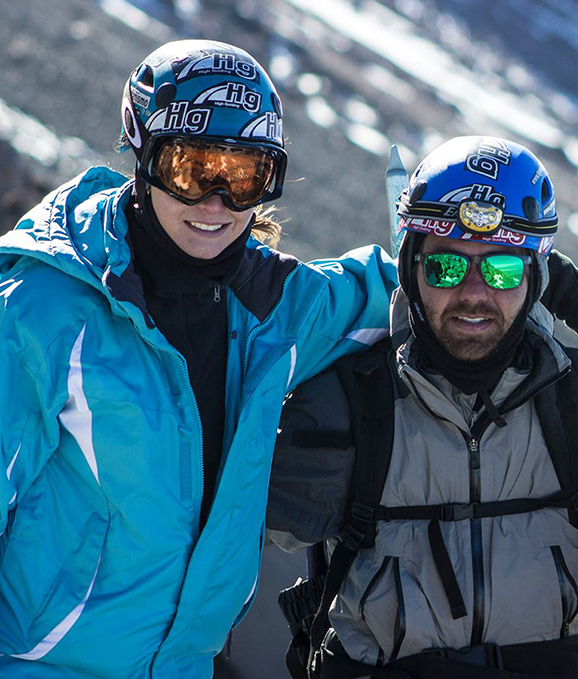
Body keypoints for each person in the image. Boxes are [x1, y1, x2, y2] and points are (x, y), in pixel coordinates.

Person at [0, 40, 395, 679]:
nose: (215, 202)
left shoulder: (272, 311)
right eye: (191, 168)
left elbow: (407, 294)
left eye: (244, 177)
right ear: (143, 155)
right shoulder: (43, 308)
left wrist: (541, 280)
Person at [266, 135, 578, 679]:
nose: (472, 292)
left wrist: (575, 295)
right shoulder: (348, 405)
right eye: (444, 268)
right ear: (410, 268)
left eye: (504, 271)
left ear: (537, 280)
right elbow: (209, 509)